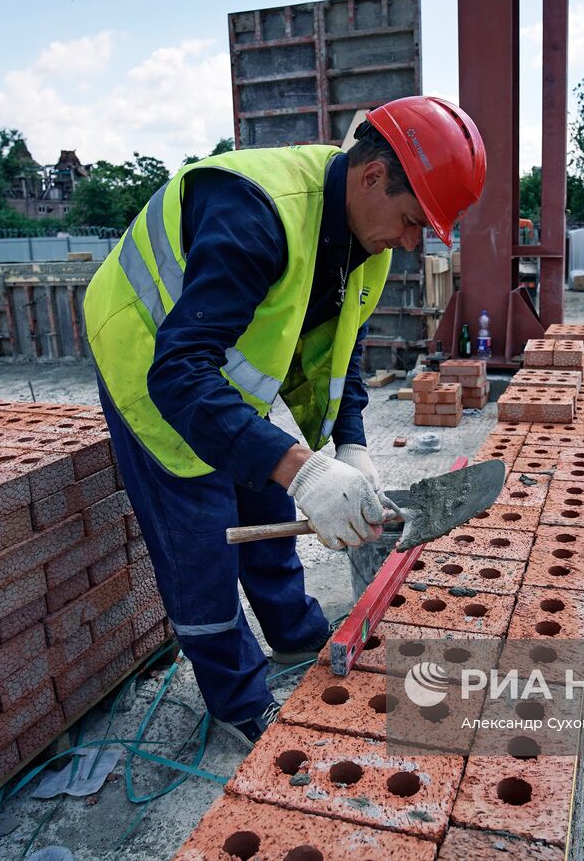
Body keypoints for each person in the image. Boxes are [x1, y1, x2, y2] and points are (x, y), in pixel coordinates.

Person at [81, 96, 486, 746]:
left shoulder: (369, 243)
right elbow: (180, 375)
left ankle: (294, 632)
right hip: (150, 350)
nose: (413, 243)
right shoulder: (256, 212)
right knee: (204, 534)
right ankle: (239, 699)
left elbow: (343, 350)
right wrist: (303, 469)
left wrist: (351, 447)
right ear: (372, 175)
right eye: (413, 221)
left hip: (220, 360)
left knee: (266, 488)